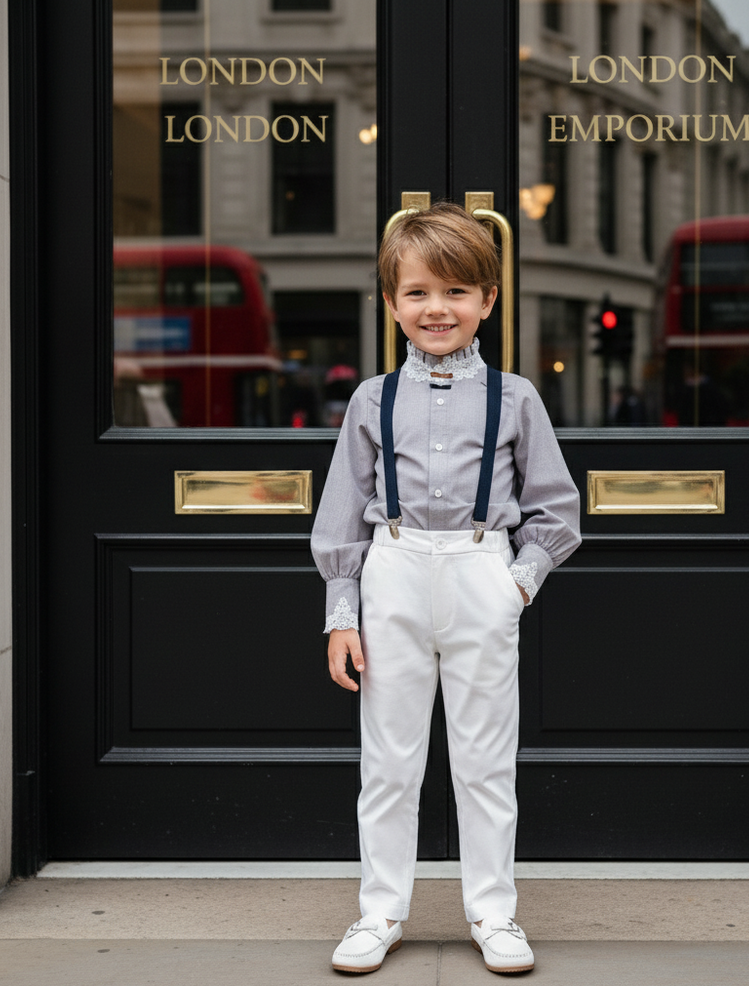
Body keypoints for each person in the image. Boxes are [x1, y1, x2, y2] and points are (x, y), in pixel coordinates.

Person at [311, 202, 581, 975]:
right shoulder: (371, 400)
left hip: (478, 569)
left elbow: (557, 509)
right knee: (389, 760)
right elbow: (340, 518)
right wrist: (342, 613)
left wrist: (515, 583)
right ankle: (380, 912)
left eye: (458, 292)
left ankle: (494, 915)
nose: (438, 309)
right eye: (420, 292)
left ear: (489, 301)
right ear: (391, 302)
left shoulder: (516, 396)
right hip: (392, 570)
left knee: (484, 759)